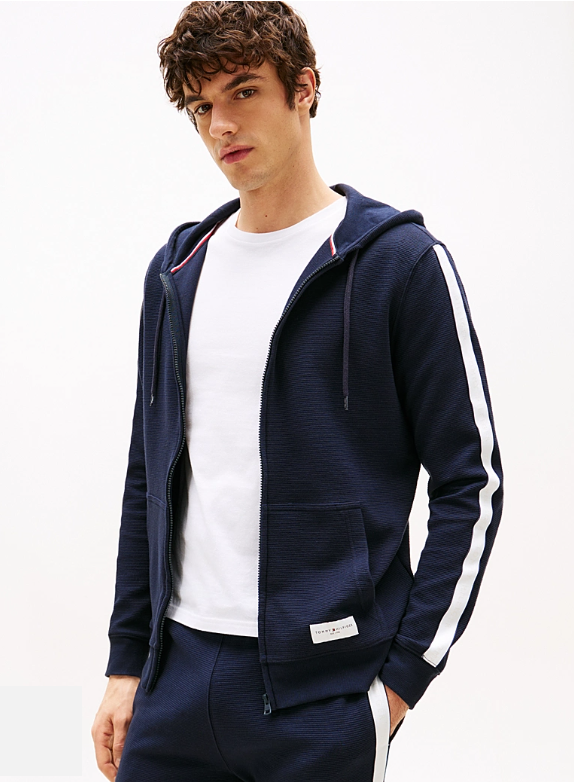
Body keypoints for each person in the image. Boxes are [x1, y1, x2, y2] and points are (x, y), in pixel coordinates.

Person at [91, 2, 503, 780]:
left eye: (243, 91)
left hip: (325, 696)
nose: (221, 125)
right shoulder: (178, 272)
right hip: (175, 679)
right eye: (200, 107)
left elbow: (470, 484)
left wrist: (400, 683)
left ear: (304, 89)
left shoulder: (401, 265)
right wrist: (125, 661)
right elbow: (150, 474)